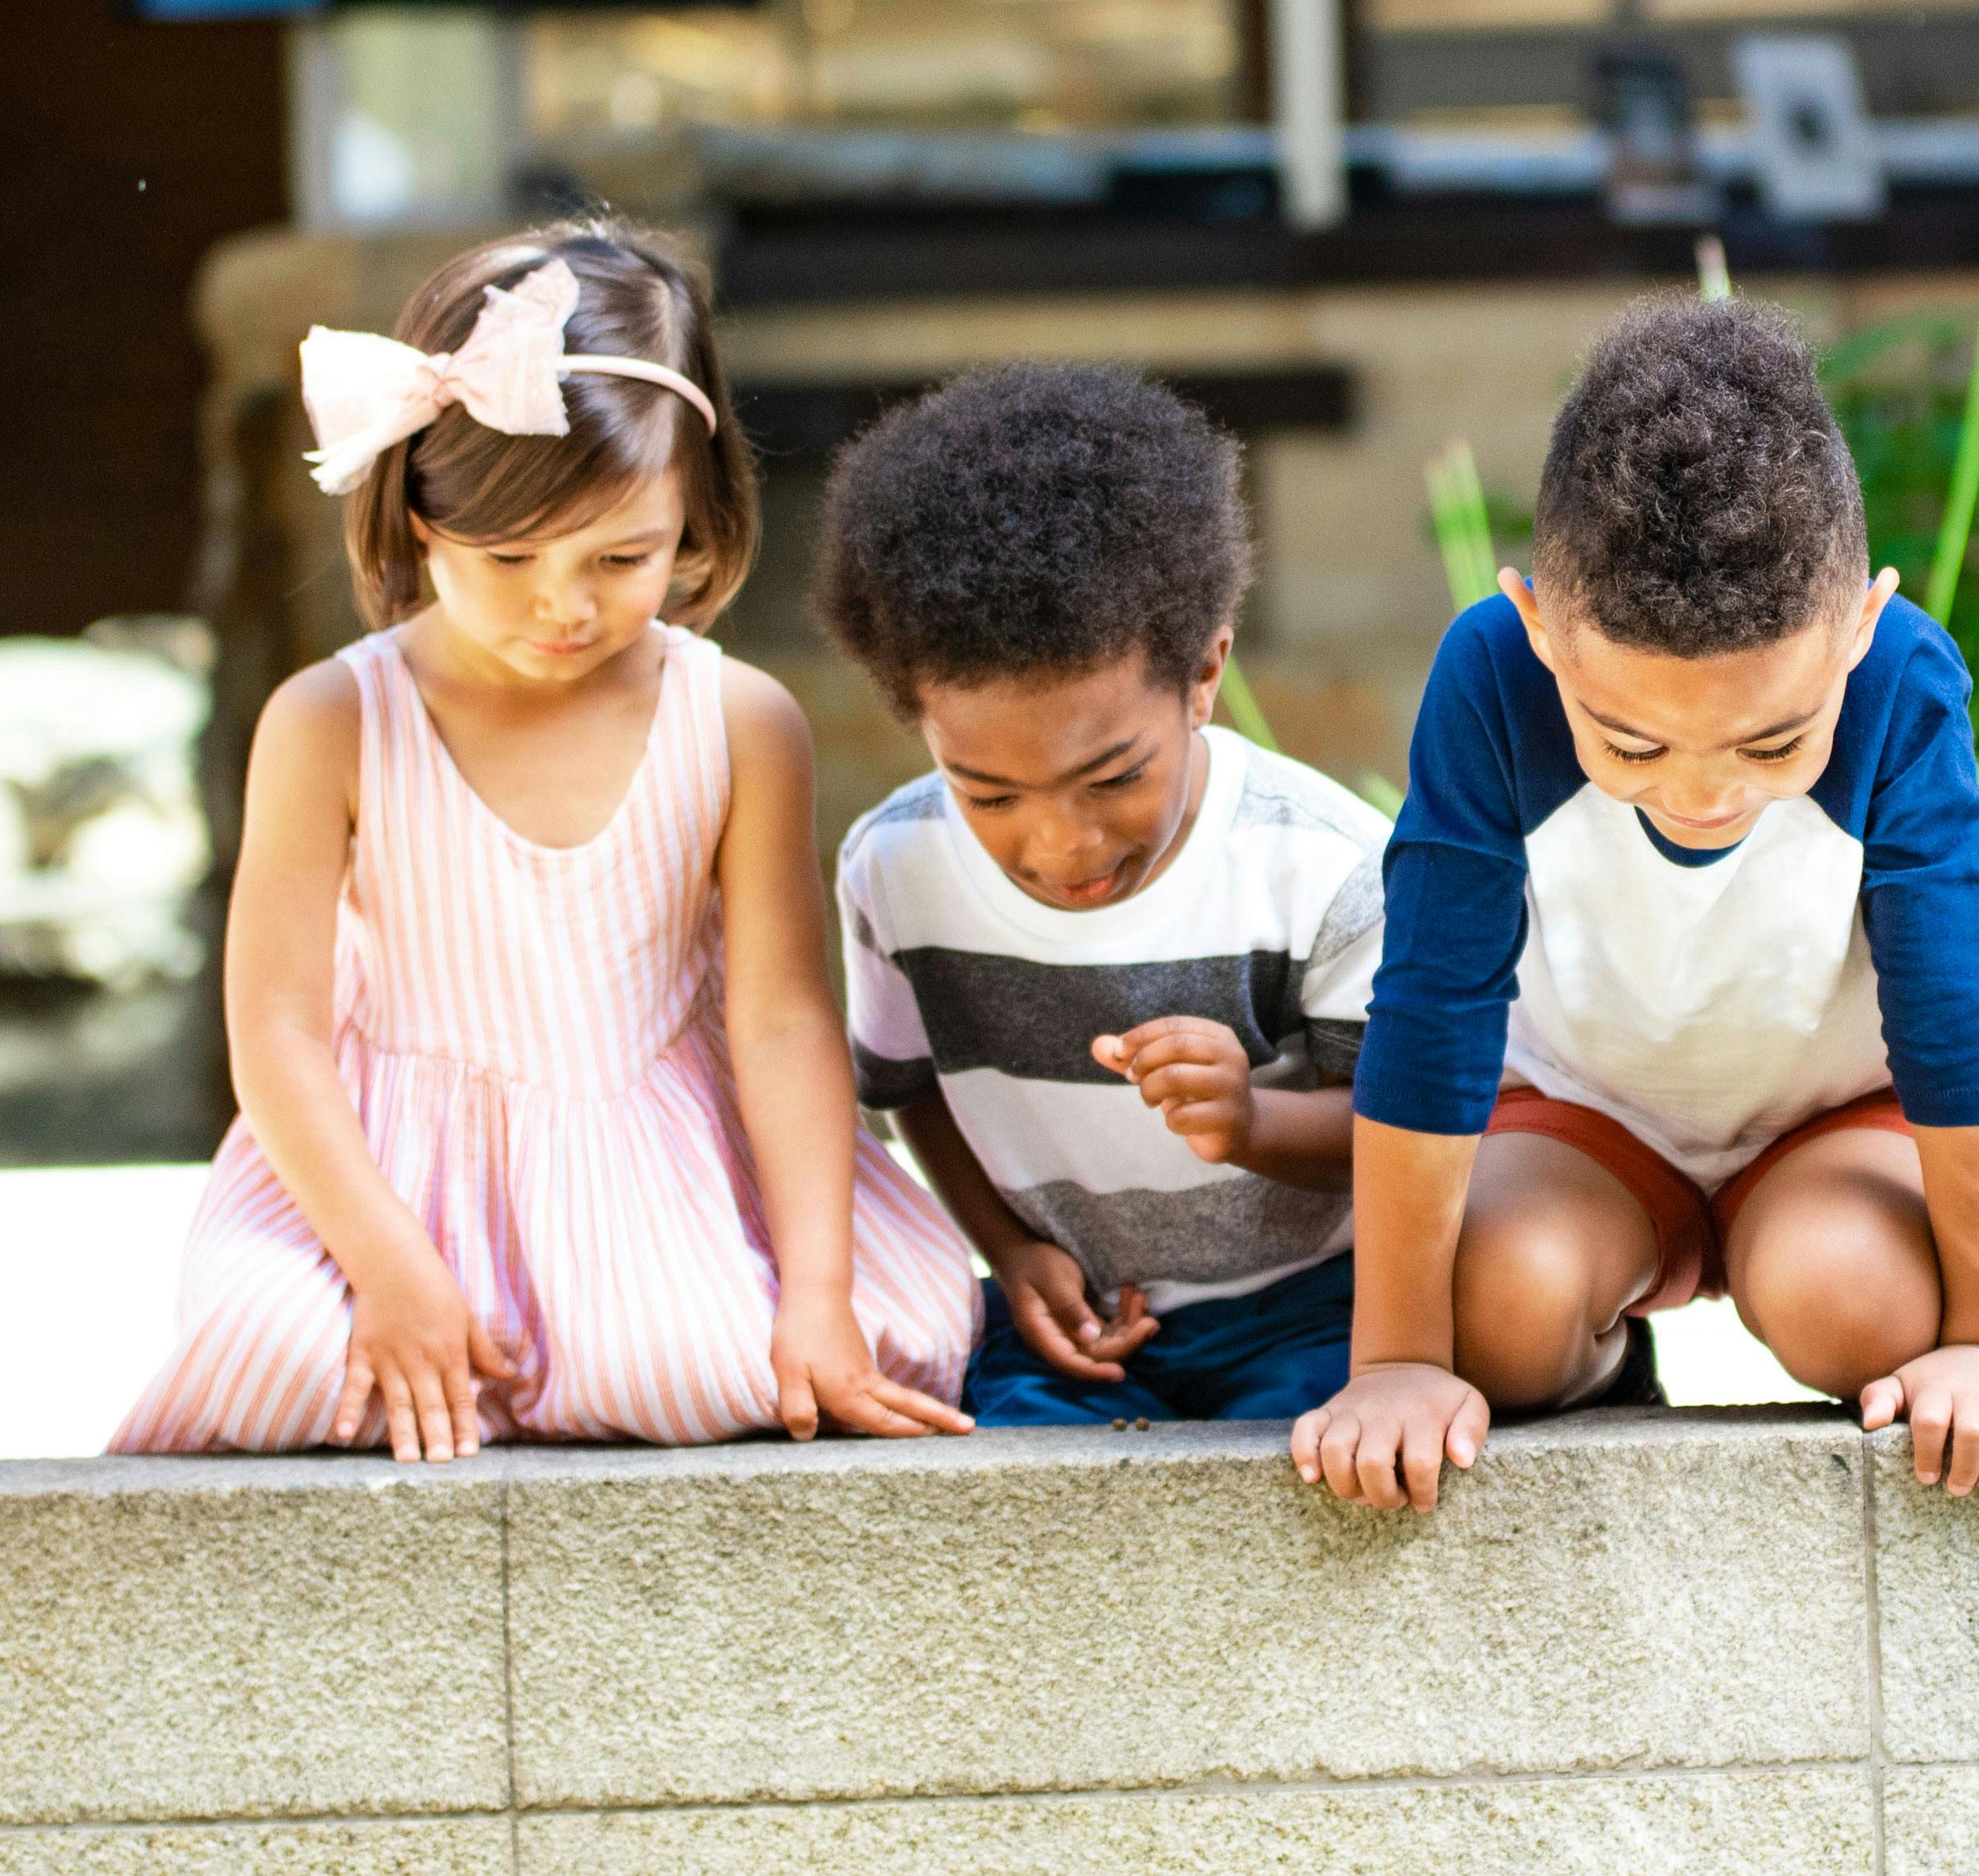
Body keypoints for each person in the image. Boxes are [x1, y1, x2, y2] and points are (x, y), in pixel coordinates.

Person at [111, 220, 978, 1462]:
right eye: (508, 556)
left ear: (697, 518)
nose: (564, 604)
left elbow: (781, 1019)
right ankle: (426, 1312)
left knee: (706, 1363)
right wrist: (393, 1271)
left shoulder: (735, 720)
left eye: (622, 556)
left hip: (651, 1155)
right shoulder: (331, 720)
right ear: (416, 517)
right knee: (289, 1360)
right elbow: (281, 1032)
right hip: (386, 1165)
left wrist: (819, 1293)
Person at [1297, 296, 1979, 1512]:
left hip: (1829, 1129)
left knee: (1860, 1306)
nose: (1705, 790)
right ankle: (1605, 1357)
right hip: (1588, 1123)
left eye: (1773, 740)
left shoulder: (1902, 678)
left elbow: (1957, 1012)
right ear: (1541, 625)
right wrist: (1392, 1362)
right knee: (1488, 1320)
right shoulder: (1490, 674)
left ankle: (1814, 1271)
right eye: (1630, 740)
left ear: (1858, 626)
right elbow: (1433, 1007)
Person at [816, 366, 1388, 1428]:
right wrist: (1010, 1248)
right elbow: (907, 1089)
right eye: (986, 791)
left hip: (1311, 1307)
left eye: (1115, 775)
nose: (1059, 843)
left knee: (1304, 1477)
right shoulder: (895, 871)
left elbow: (1399, 1122)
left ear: (1204, 673)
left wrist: (1252, 1119)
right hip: (1072, 1320)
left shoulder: (1325, 866)